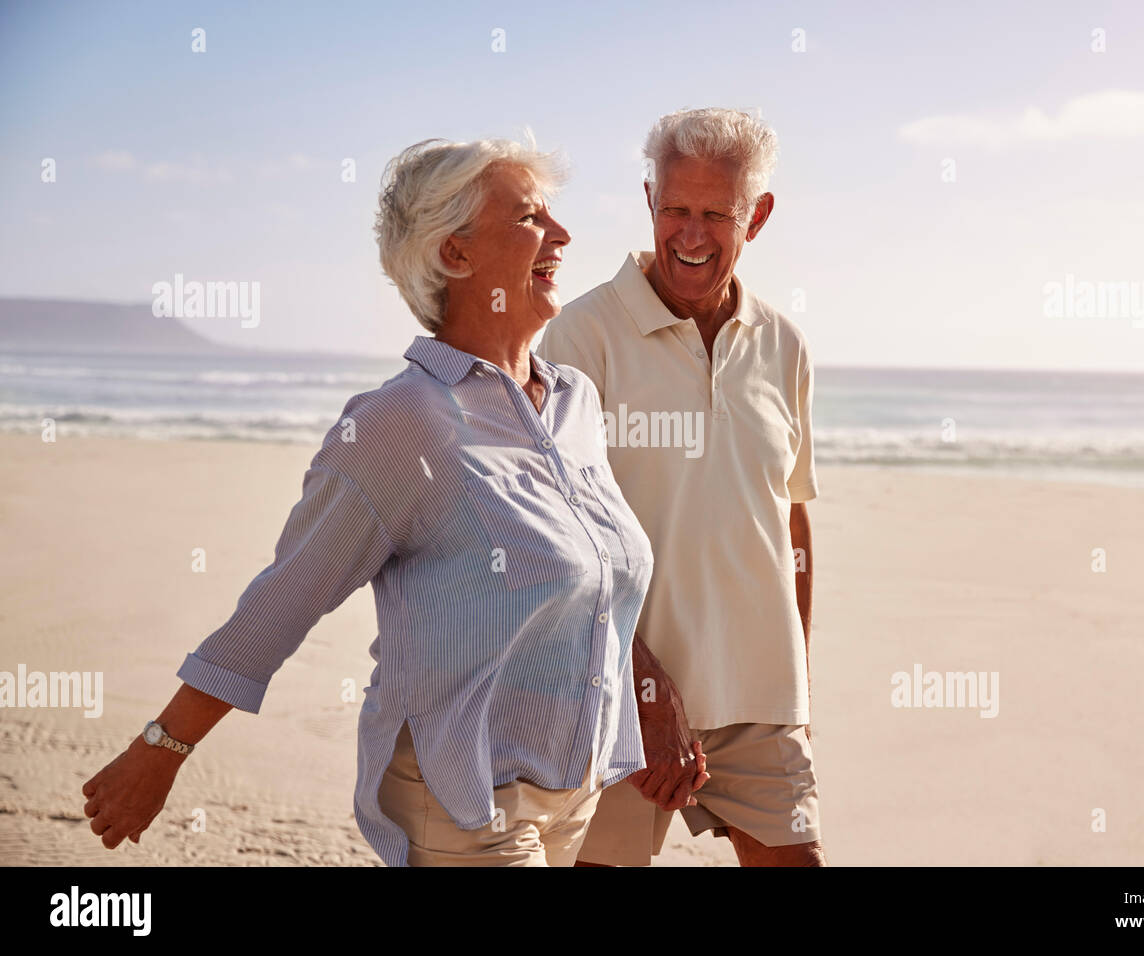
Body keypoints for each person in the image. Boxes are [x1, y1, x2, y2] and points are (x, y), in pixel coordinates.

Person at [81, 136, 664, 866]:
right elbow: (284, 599)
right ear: (454, 256)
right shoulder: (402, 422)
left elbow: (603, 585)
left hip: (575, 787)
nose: (563, 235)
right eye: (528, 219)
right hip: (464, 794)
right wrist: (161, 748)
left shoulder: (576, 401)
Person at [537, 107, 825, 866]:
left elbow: (790, 523)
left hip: (762, 702)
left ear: (756, 216)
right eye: (675, 210)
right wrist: (647, 693)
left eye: (715, 215)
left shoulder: (784, 345)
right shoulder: (579, 338)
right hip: (621, 700)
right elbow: (565, 541)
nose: (690, 236)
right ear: (649, 202)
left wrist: (798, 682)